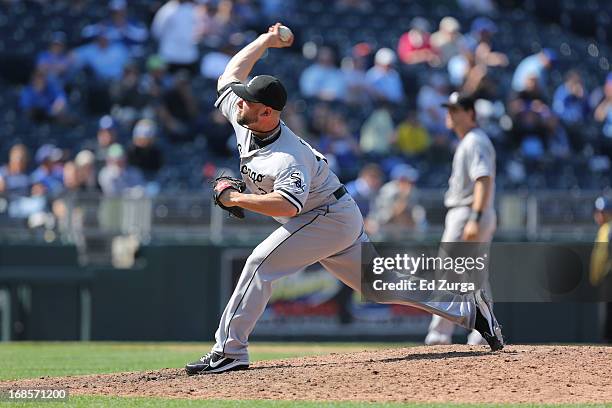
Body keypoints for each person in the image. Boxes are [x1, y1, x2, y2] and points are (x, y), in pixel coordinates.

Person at [184, 23, 504, 375]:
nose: (238, 101)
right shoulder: (244, 114)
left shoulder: (289, 156)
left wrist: (237, 199)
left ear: (268, 113)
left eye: (249, 100)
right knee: (381, 287)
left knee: (260, 264)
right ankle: (468, 309)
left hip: (326, 216)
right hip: (331, 214)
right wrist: (266, 41)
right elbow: (229, 74)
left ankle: (229, 351)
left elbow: (287, 205)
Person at [425, 92, 497, 347]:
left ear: (471, 114)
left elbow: (483, 180)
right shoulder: (471, 141)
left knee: (448, 272)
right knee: (475, 275)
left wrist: (475, 217)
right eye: (449, 109)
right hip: (472, 212)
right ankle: (482, 331)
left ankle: (440, 333)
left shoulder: (474, 141)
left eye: (456, 110)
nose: (450, 114)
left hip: (468, 211)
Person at [366, 163, 421, 235]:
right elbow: (389, 214)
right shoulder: (388, 190)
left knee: (419, 216)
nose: (408, 183)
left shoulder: (413, 190)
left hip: (401, 225)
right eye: (404, 180)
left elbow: (413, 213)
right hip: (382, 222)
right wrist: (403, 197)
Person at [152, 0, 200, 75]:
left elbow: (197, 30)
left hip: (188, 57)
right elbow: (157, 30)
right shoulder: (167, 10)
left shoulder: (192, 10)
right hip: (169, 55)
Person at [590, 196, 612, 343]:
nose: (600, 215)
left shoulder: (606, 229)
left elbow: (600, 257)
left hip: (608, 278)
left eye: (603, 212)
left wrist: (595, 277)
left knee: (607, 316)